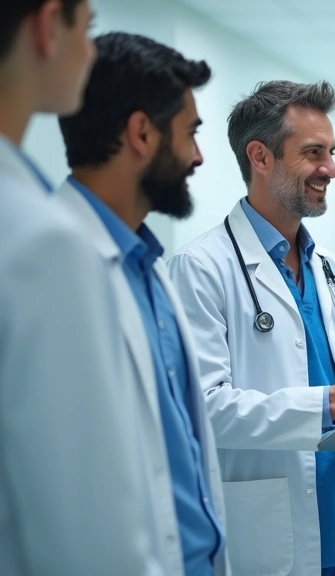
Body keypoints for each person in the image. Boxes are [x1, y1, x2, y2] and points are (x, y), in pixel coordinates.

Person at [167, 80, 335, 576]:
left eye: (332, 153)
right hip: (273, 535)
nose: (331, 170)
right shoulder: (201, 268)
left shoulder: (334, 271)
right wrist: (331, 401)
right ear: (260, 157)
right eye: (314, 153)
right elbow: (202, 409)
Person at [55, 32, 231, 576]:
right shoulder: (53, 269)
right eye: (191, 133)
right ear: (141, 133)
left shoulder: (149, 266)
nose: (199, 157)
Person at [0, 2, 162, 574]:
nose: (91, 52)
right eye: (87, 27)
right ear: (48, 27)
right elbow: (92, 542)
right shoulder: (43, 242)